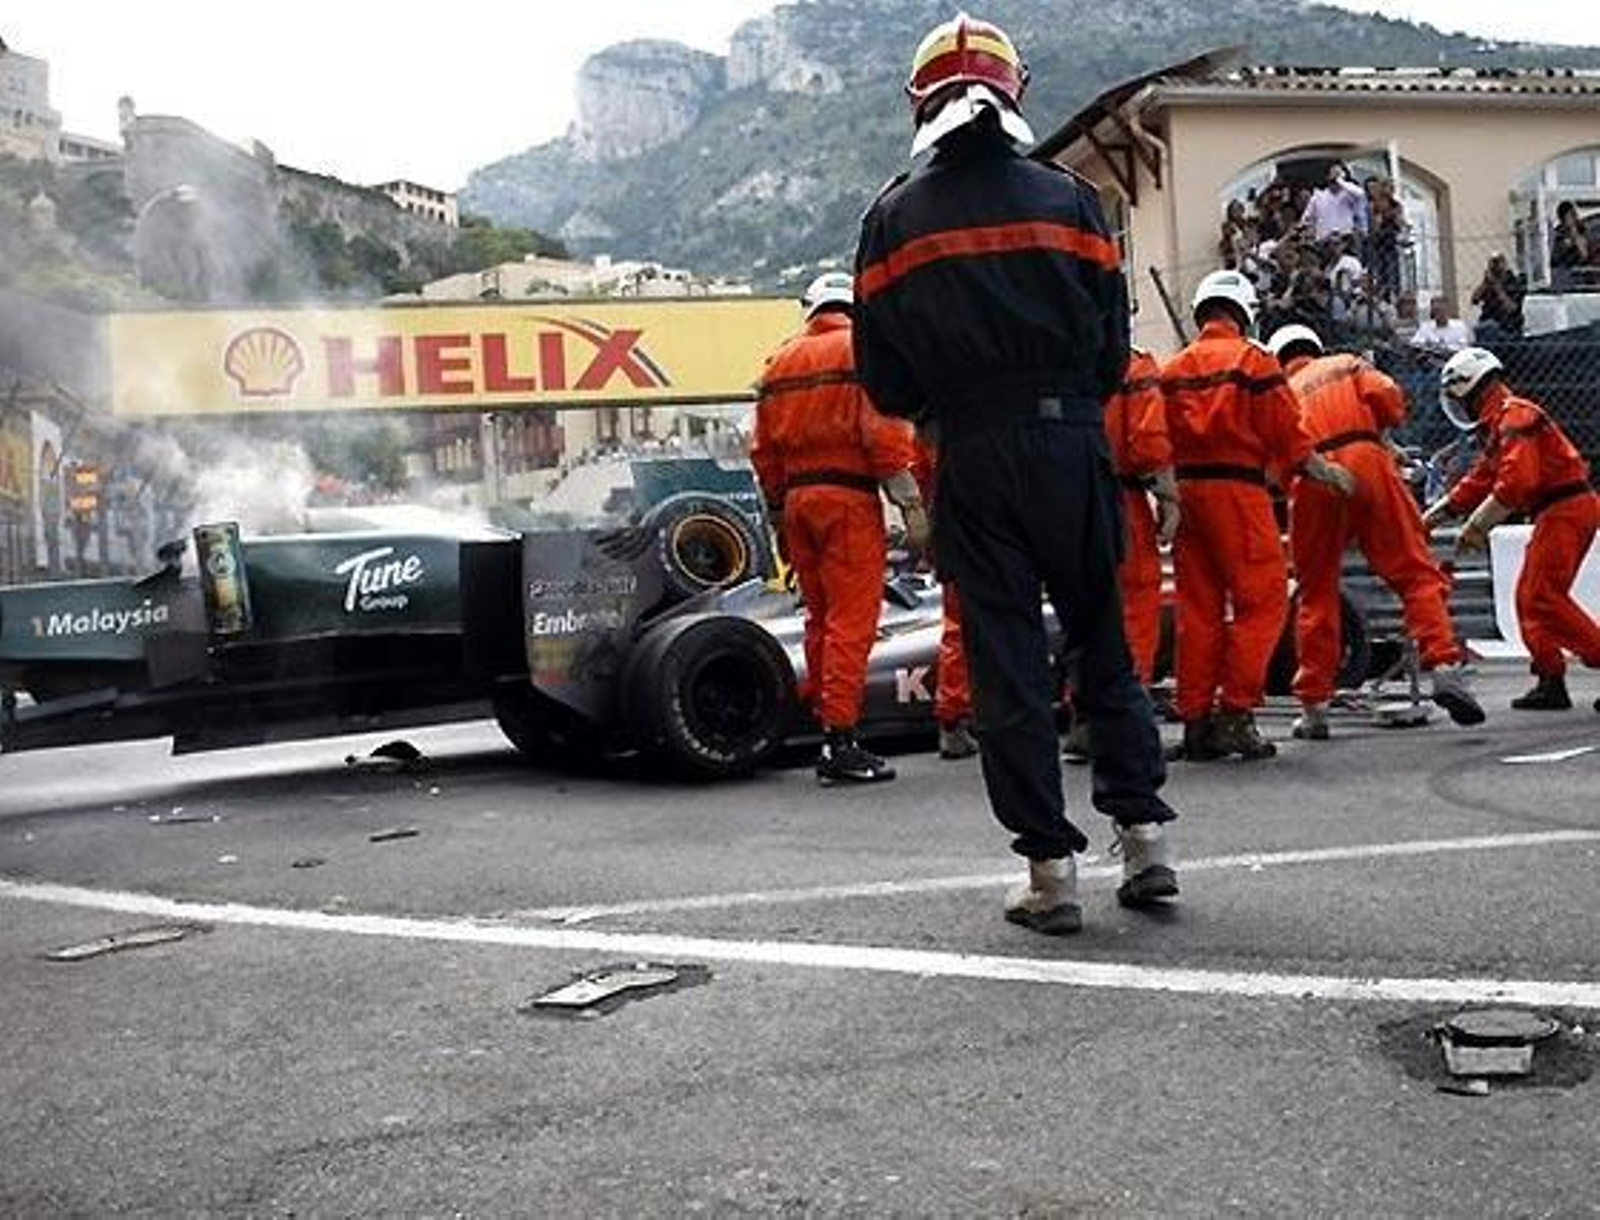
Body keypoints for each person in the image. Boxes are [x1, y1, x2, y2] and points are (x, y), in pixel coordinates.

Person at [853, 13, 1177, 934]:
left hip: (972, 455)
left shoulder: (891, 219)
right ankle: (1146, 841)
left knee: (1005, 664)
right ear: (1014, 91)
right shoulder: (1070, 199)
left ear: (918, 102)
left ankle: (1049, 875)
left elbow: (886, 382)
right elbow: (1111, 353)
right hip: (1073, 444)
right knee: (1103, 644)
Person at [1159, 270, 1356, 761]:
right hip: (1238, 494)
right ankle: (1236, 712)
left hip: (1185, 494)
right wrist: (1324, 472)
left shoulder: (1174, 368)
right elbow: (1286, 432)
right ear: (1244, 311)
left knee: (1197, 611)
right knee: (1264, 601)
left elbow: (1156, 437)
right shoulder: (1253, 360)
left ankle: (1196, 722)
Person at [1266, 324, 1484, 739]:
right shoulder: (1346, 364)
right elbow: (1389, 398)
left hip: (1313, 477)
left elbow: (1277, 465)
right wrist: (1378, 430)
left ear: (1279, 359)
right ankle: (1443, 664)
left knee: (1316, 593)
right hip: (1368, 460)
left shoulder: (1280, 392)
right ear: (1316, 347)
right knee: (1415, 573)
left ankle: (1314, 708)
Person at [752, 271, 928, 785]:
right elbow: (883, 435)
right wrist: (911, 505)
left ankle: (825, 722)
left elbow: (763, 452)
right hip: (847, 503)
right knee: (852, 622)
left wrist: (778, 515)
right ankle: (841, 739)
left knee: (820, 619)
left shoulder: (779, 362)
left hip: (798, 503)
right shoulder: (861, 353)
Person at [1422, 348, 1600, 712]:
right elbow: (1482, 479)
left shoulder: (1516, 416)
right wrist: (1432, 518)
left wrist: (1477, 524)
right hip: (1558, 510)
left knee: (1542, 598)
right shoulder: (1503, 423)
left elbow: (1517, 483)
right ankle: (1550, 678)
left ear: (1470, 388)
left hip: (1566, 509)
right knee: (1529, 598)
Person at [910, 437, 976, 760]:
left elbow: (919, 475)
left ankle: (953, 716)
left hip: (951, 524)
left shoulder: (934, 418)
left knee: (957, 625)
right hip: (997, 522)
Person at [1300, 162, 1366, 242]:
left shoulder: (1349, 194)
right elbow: (1306, 219)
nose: (1335, 175)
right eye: (1333, 173)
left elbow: (1360, 194)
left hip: (1346, 240)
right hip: (1325, 241)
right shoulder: (1318, 196)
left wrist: (1340, 181)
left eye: (1338, 173)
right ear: (1327, 176)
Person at [1470, 252, 1526, 340]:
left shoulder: (1514, 282)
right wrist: (1485, 283)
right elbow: (1474, 300)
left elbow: (1512, 308)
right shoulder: (1488, 283)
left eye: (1498, 262)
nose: (1495, 267)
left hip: (1508, 326)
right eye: (1493, 263)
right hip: (1487, 322)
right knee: (1481, 329)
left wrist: (1497, 287)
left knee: (1490, 328)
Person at [1550, 201, 1594, 292]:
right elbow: (1555, 257)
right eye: (1571, 215)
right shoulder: (1558, 234)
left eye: (1574, 215)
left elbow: (1585, 254)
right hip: (1564, 277)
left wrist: (1575, 233)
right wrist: (1568, 242)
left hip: (1581, 277)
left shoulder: (1582, 231)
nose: (1575, 218)